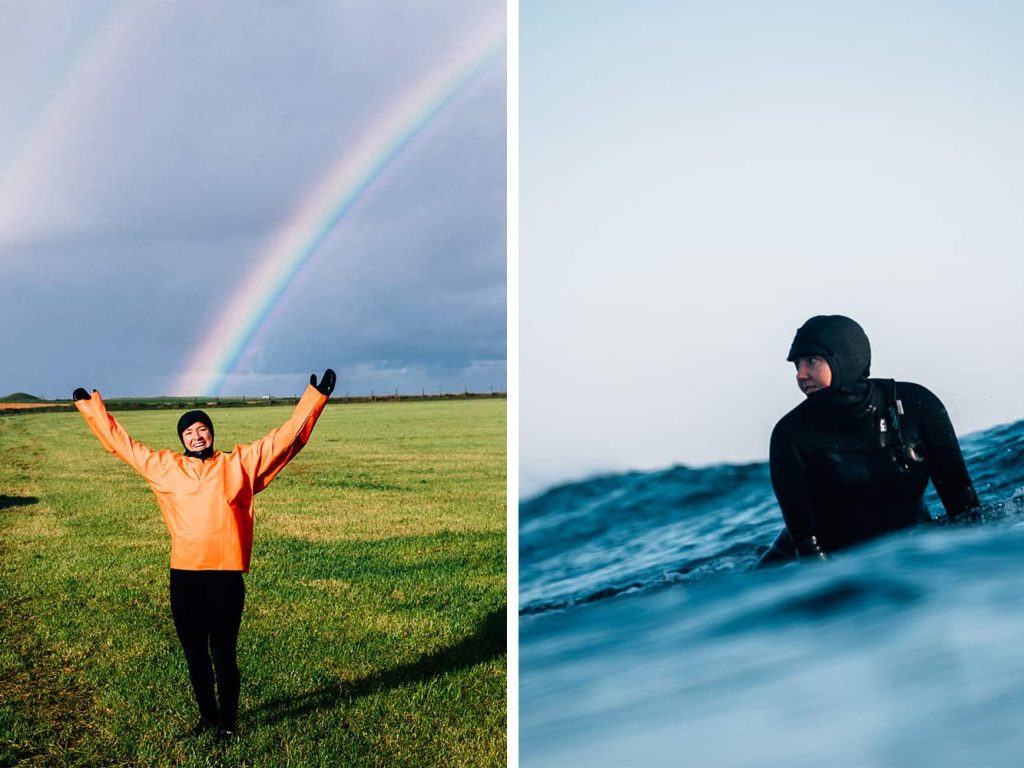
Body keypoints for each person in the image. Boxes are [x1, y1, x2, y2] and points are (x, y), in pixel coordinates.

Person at [72, 369, 336, 738]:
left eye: (202, 429)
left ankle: (228, 723)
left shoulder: (237, 465)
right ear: (181, 438)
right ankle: (207, 717)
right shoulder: (164, 467)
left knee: (223, 654)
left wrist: (315, 397)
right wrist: (90, 407)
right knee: (195, 654)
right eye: (189, 432)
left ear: (212, 433)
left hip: (226, 577)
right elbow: (122, 443)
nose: (196, 436)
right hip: (185, 577)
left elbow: (284, 439)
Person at [763, 316, 978, 562]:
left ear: (844, 358)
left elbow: (964, 506)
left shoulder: (916, 405)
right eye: (797, 365)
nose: (801, 375)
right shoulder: (790, 435)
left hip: (911, 545)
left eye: (812, 361)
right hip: (817, 559)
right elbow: (807, 545)